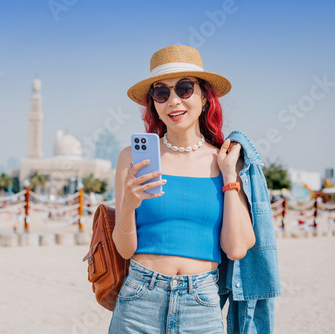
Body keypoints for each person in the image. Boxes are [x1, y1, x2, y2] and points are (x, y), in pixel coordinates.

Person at [109, 45, 280, 333]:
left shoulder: (226, 160)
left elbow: (236, 248)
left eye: (184, 89)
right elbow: (125, 250)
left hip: (200, 303)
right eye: (161, 93)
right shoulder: (131, 158)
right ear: (154, 104)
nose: (173, 101)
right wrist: (128, 206)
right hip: (139, 299)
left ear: (204, 97)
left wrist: (228, 177)